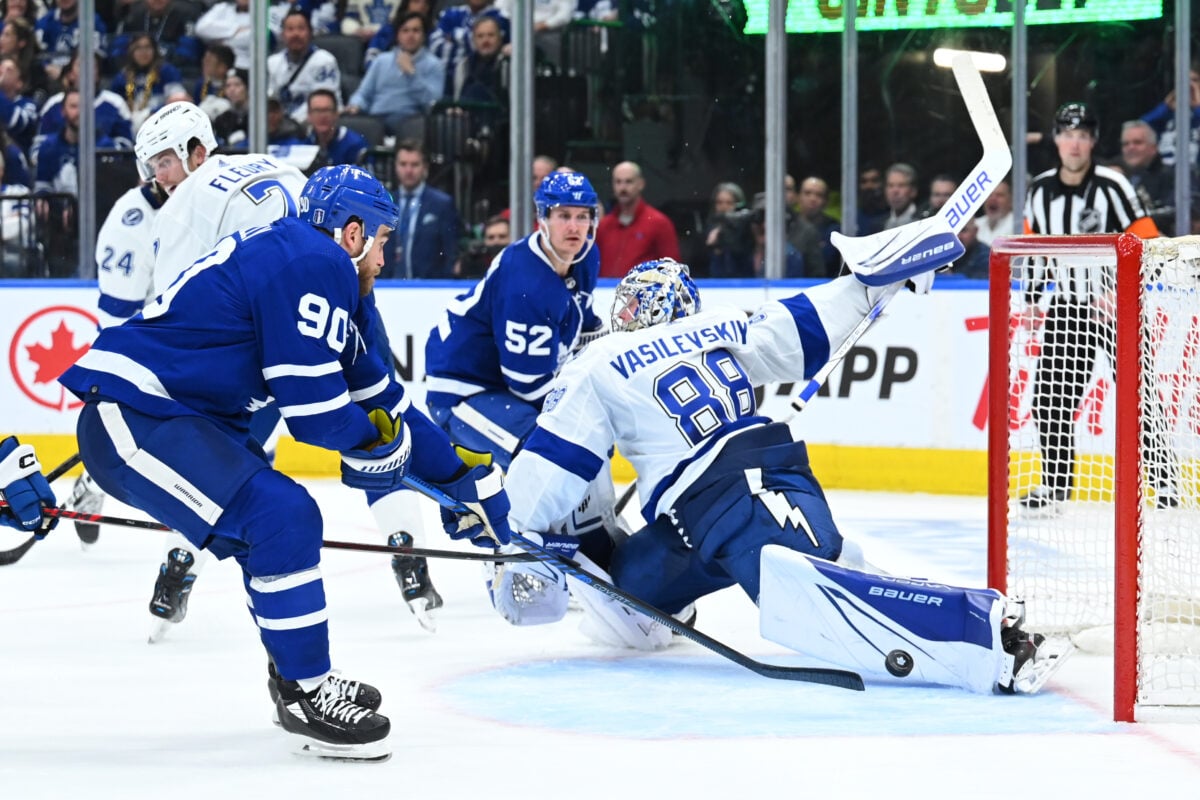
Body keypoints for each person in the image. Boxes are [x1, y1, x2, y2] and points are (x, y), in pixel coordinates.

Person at [56, 165, 513, 760]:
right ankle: (307, 691)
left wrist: (461, 478)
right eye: (381, 241)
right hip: (139, 414)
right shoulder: (310, 261)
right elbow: (317, 416)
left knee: (273, 530)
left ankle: (299, 679)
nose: (384, 258)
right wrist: (383, 446)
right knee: (282, 514)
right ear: (352, 233)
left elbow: (388, 404)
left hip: (181, 418)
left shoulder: (326, 277)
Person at [489, 257, 1059, 695]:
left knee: (826, 606)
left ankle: (990, 632)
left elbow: (554, 461)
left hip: (742, 494)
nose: (626, 317)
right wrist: (873, 281)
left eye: (633, 306)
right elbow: (808, 322)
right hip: (708, 511)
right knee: (630, 598)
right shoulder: (718, 324)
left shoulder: (601, 360)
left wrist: (507, 528)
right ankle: (856, 578)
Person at [415, 172, 613, 619]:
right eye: (563, 215)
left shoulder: (585, 257)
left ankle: (575, 549)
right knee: (540, 452)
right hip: (464, 390)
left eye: (582, 217)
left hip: (504, 384)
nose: (574, 227)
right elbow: (529, 385)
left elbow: (582, 324)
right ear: (542, 218)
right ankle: (509, 560)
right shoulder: (526, 280)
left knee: (571, 446)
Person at [1020, 101, 1174, 510]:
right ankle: (1055, 486)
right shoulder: (1039, 190)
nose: (1075, 144)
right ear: (1057, 140)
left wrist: (1120, 288)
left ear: (1093, 142)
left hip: (1115, 308)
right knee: (1049, 399)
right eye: (1068, 135)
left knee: (1138, 396)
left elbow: (1148, 240)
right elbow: (1035, 250)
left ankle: (1165, 485)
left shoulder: (1113, 185)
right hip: (1066, 308)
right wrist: (1032, 299)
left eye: (1083, 137)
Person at [345, 11, 443, 141]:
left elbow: (433, 103)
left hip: (410, 121)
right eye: (405, 30)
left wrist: (411, 74)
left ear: (424, 35)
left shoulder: (434, 64)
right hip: (376, 119)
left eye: (416, 30)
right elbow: (363, 93)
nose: (410, 35)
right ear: (398, 35)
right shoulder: (381, 60)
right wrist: (355, 105)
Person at [383, 137, 459, 278]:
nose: (408, 170)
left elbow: (451, 253)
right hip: (389, 286)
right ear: (395, 166)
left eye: (415, 164)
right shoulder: (384, 204)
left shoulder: (442, 204)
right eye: (403, 164)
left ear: (425, 167)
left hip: (428, 286)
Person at [595, 160, 680, 278]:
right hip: (605, 289)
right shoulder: (603, 226)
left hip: (645, 289)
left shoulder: (659, 223)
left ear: (641, 184)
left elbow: (673, 270)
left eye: (628, 181)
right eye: (618, 182)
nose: (623, 187)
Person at [266, 8, 340, 125]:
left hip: (316, 124)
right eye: (290, 29)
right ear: (283, 35)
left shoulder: (325, 61)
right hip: (282, 125)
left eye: (301, 28)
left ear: (310, 33)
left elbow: (322, 102)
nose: (296, 34)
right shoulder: (272, 62)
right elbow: (270, 97)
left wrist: (292, 122)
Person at [1119, 119, 1175, 232]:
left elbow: (1177, 213)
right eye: (1126, 144)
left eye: (1137, 142)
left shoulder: (1172, 176)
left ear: (1153, 148)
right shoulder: (1119, 177)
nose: (1131, 148)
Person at [303, 87, 369, 170]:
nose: (322, 116)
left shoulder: (355, 145)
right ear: (309, 115)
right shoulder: (301, 142)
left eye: (327, 110)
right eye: (317, 110)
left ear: (336, 114)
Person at [797, 176, 841, 277]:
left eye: (819, 195)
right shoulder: (789, 227)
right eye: (807, 193)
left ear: (826, 201)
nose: (813, 199)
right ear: (799, 197)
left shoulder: (835, 231)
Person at [973, 178, 1013, 246]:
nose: (993, 199)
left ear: (1010, 201)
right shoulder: (976, 224)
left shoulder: (1019, 225)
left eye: (999, 195)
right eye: (989, 195)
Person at [883, 162, 919, 230]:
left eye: (901, 185)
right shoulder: (878, 225)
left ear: (913, 191)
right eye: (890, 185)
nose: (895, 191)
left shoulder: (924, 220)